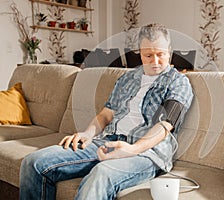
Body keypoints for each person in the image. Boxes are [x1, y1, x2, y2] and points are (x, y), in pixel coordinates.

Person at [19, 23, 194, 200]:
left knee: (100, 174)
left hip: (146, 153)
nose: (155, 62)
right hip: (108, 141)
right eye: (148, 55)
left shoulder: (178, 82)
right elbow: (106, 114)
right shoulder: (127, 78)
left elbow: (165, 124)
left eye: (160, 54)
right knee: (33, 163)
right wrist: (87, 134)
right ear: (139, 53)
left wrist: (133, 149)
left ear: (169, 51)